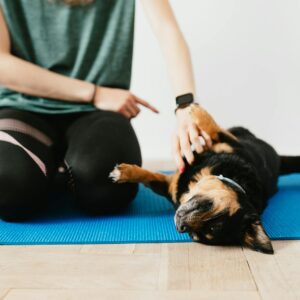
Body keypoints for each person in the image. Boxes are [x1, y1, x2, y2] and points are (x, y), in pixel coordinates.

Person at [0, 0, 211, 222]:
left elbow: (167, 31)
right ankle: (50, 171)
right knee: (8, 188)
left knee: (107, 186)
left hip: (97, 114)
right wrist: (95, 93)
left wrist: (186, 107)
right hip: (22, 108)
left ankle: (60, 171)